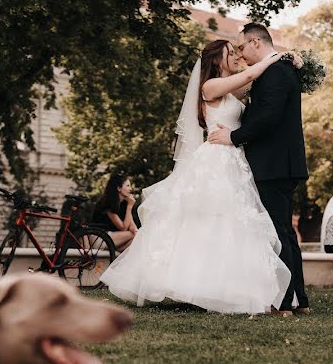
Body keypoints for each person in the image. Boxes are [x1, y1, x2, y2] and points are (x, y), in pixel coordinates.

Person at [99, 39, 297, 314]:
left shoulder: (232, 90)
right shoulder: (210, 87)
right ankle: (196, 286)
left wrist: (292, 59)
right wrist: (276, 56)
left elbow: (255, 81)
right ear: (216, 60)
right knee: (207, 221)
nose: (236, 57)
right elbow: (252, 74)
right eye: (230, 53)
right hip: (215, 160)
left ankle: (225, 288)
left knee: (233, 225)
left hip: (234, 160)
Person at [207, 22, 310, 316]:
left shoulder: (275, 72)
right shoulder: (277, 69)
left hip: (273, 163)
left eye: (241, 47)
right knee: (285, 233)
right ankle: (299, 299)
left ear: (255, 42)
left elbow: (269, 117)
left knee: (277, 233)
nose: (240, 54)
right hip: (283, 163)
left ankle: (283, 302)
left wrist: (234, 137)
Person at [91, 174, 139, 251]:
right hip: (100, 237)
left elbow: (132, 227)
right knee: (134, 235)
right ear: (119, 188)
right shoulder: (108, 203)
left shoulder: (124, 204)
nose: (130, 189)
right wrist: (130, 206)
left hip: (114, 238)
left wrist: (140, 233)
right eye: (127, 186)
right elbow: (123, 228)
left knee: (135, 242)